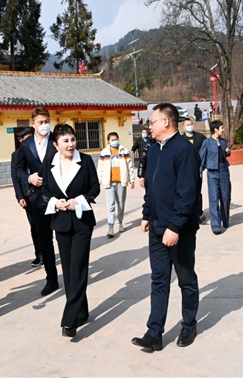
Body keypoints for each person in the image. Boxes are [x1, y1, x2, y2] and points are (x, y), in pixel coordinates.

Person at [131, 103, 201, 351]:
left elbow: (187, 193)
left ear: (166, 122)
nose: (149, 126)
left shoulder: (184, 150)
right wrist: (146, 214)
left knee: (185, 279)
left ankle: (189, 324)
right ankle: (154, 333)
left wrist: (175, 226)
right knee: (159, 280)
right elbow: (151, 188)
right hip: (157, 226)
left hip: (179, 229)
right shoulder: (153, 150)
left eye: (152, 122)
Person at [40, 123, 100, 338]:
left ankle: (69, 319)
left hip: (82, 222)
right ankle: (82, 312)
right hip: (61, 222)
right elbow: (44, 190)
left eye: (73, 139)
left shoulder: (85, 160)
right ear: (56, 144)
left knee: (78, 268)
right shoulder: (50, 161)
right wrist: (55, 203)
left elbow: (95, 188)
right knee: (68, 270)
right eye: (65, 140)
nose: (71, 144)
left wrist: (79, 201)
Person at [17, 107, 59, 296]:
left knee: (63, 237)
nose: (44, 125)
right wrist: (29, 178)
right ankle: (52, 279)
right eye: (40, 122)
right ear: (33, 123)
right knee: (45, 240)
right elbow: (18, 169)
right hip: (38, 198)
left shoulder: (57, 139)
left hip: (59, 196)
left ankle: (71, 276)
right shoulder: (26, 146)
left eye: (47, 121)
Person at [11, 127, 43, 266]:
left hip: (43, 193)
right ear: (20, 140)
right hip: (28, 196)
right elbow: (15, 177)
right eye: (27, 138)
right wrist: (20, 197)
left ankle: (48, 252)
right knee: (34, 226)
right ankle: (40, 255)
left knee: (47, 226)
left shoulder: (40, 150)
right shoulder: (16, 155)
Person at [98, 132, 135, 237]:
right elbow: (100, 168)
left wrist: (132, 180)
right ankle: (110, 227)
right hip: (109, 183)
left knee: (121, 204)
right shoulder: (104, 152)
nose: (115, 141)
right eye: (112, 140)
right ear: (108, 141)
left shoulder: (124, 151)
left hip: (121, 182)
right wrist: (99, 180)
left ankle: (120, 222)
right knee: (110, 206)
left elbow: (130, 166)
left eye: (116, 139)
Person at [199, 120, 232, 234]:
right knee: (214, 198)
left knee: (226, 197)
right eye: (221, 128)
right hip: (212, 173)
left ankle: (225, 219)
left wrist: (227, 152)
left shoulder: (223, 141)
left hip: (224, 170)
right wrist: (199, 170)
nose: (223, 130)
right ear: (215, 129)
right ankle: (216, 226)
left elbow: (224, 154)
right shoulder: (207, 142)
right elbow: (201, 157)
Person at [181, 117, 207, 223]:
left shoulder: (200, 137)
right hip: (184, 170)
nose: (190, 126)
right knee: (186, 192)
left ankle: (199, 213)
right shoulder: (181, 139)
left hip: (197, 170)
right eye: (187, 125)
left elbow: (207, 148)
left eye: (191, 124)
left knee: (197, 192)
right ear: (183, 127)